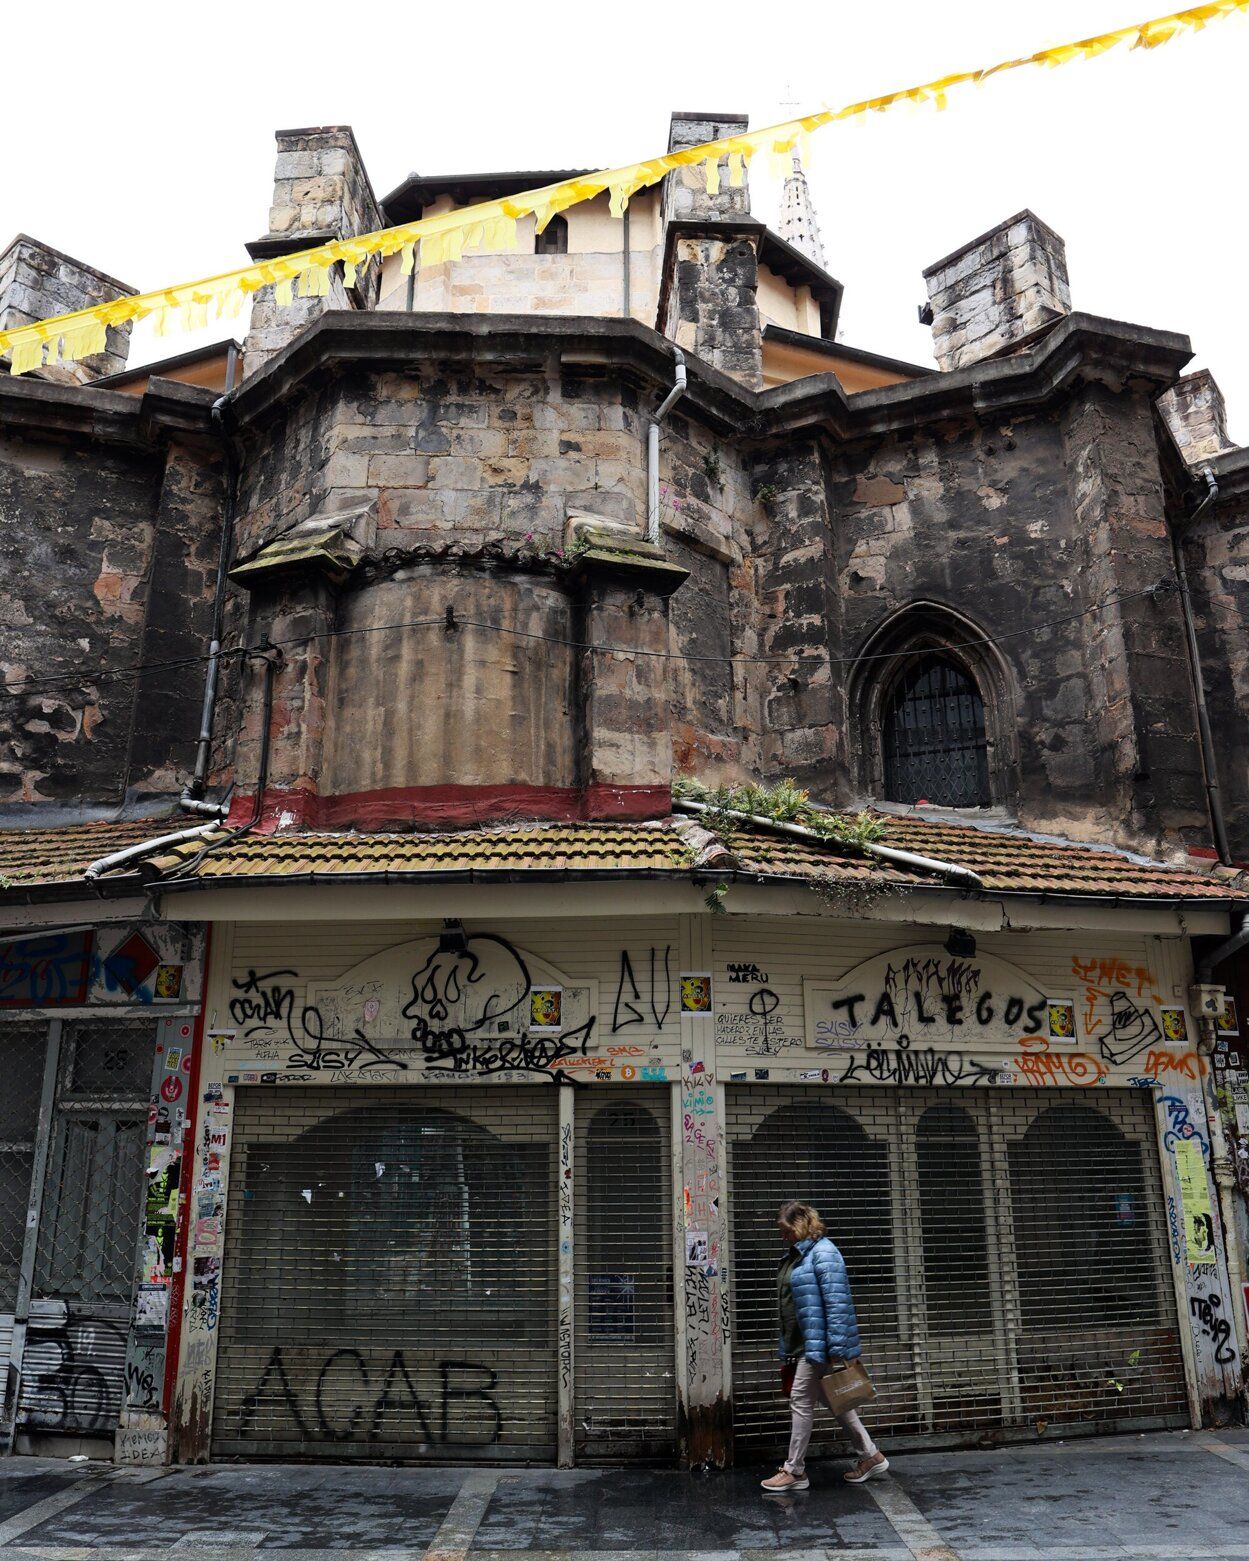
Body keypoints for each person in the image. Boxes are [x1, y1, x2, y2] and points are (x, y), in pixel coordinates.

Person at [761, 1199, 889, 1491]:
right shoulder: (799, 1255)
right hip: (803, 1343)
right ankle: (871, 1455)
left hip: (817, 1347)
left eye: (787, 1231)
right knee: (836, 1401)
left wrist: (836, 1349)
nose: (783, 1238)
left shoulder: (824, 1253)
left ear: (802, 1225)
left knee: (800, 1402)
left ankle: (794, 1470)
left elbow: (837, 1305)